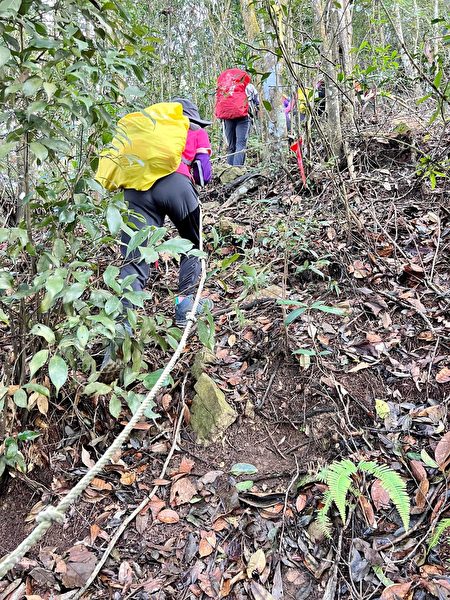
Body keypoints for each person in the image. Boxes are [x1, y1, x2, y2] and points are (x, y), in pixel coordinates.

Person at [118, 97, 213, 332]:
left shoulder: (147, 129)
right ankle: (184, 308)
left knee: (134, 256)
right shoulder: (194, 130)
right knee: (192, 245)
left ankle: (122, 330)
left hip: (135, 191)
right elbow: (203, 174)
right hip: (176, 185)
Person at [215, 68, 260, 166]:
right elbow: (257, 103)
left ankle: (229, 169)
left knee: (231, 146)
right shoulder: (249, 86)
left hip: (227, 118)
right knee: (241, 144)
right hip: (243, 118)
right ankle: (238, 169)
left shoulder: (224, 87)